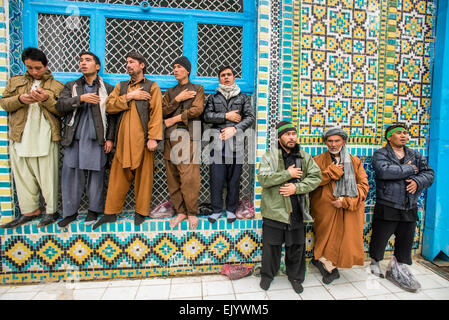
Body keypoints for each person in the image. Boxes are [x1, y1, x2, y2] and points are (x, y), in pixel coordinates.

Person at [92, 52, 163, 229]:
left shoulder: (151, 87)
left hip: (143, 141)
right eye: (127, 62)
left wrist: (153, 137)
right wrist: (130, 96)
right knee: (117, 176)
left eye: (132, 62)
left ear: (142, 65)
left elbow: (156, 113)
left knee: (144, 177)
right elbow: (109, 106)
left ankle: (141, 212)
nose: (128, 65)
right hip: (123, 141)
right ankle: (110, 212)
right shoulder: (121, 87)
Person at [0, 47, 64, 229]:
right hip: (21, 134)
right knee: (23, 175)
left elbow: (61, 111)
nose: (34, 72)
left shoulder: (57, 86)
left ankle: (51, 211)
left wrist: (46, 99)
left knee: (47, 175)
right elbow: (4, 103)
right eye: (30, 68)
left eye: (38, 68)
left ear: (46, 66)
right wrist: (20, 99)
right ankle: (30, 211)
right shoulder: (15, 82)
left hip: (45, 135)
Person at [257, 121, 322, 294]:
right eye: (287, 134)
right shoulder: (270, 156)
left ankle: (295, 277)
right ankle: (267, 275)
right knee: (271, 247)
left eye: (294, 133)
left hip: (297, 210)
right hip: (274, 211)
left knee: (296, 247)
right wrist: (288, 174)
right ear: (279, 138)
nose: (292, 137)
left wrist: (296, 187)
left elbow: (316, 177)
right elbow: (263, 179)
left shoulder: (304, 156)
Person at [369, 123, 434, 292]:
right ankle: (375, 261)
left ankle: (400, 264)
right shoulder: (381, 154)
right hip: (388, 202)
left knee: (406, 237)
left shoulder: (414, 154)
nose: (403, 136)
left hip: (409, 204)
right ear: (389, 137)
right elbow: (384, 172)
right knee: (380, 236)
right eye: (399, 133)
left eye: (405, 133)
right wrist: (410, 169)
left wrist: (417, 181)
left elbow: (429, 173)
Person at [55, 52, 116, 228]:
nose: (83, 63)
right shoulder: (72, 86)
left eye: (88, 60)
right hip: (74, 138)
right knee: (71, 175)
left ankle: (93, 210)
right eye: (81, 60)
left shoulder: (108, 88)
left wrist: (110, 139)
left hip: (97, 138)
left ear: (97, 66)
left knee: (96, 177)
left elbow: (112, 116)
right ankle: (70, 212)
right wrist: (80, 99)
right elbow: (60, 106)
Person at [309, 127, 369, 284]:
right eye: (330, 141)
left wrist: (346, 201)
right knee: (325, 238)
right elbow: (311, 183)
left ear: (343, 141)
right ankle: (325, 262)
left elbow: (363, 185)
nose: (333, 144)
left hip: (349, 208)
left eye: (337, 140)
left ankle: (332, 265)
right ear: (325, 142)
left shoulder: (354, 161)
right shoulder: (318, 160)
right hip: (325, 208)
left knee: (344, 239)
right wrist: (331, 171)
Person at [203, 65, 255, 223]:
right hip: (217, 143)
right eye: (223, 75)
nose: (226, 77)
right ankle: (217, 209)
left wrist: (235, 128)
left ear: (234, 78)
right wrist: (226, 116)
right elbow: (206, 116)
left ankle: (231, 209)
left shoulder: (243, 98)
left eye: (229, 75)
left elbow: (250, 117)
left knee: (234, 179)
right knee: (216, 178)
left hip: (236, 143)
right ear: (219, 79)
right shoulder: (213, 98)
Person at [162, 56, 205, 230]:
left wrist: (175, 119)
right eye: (174, 67)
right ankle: (180, 211)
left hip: (188, 135)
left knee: (189, 177)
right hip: (170, 137)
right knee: (172, 176)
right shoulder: (171, 92)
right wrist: (178, 100)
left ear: (187, 70)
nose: (175, 70)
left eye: (179, 67)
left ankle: (191, 212)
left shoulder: (197, 88)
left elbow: (197, 110)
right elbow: (162, 111)